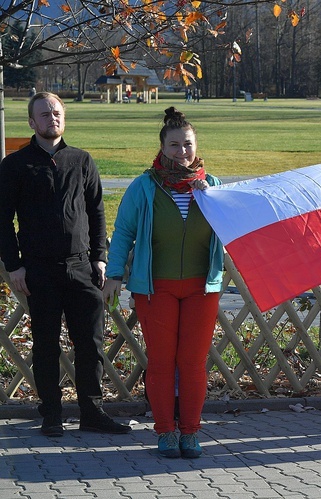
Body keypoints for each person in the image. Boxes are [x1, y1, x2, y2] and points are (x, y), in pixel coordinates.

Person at [0, 92, 131, 437]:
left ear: (64, 118)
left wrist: (99, 258)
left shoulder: (81, 161)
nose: (51, 119)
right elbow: (2, 220)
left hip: (81, 268)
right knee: (45, 344)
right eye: (43, 114)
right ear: (31, 122)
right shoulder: (15, 166)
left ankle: (92, 411)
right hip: (38, 270)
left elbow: (97, 212)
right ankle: (52, 414)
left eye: (56, 113)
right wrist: (14, 265)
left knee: (90, 343)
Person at [103, 107, 225, 458]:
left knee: (192, 362)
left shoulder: (211, 186)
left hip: (203, 287)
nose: (182, 152)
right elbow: (123, 232)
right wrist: (114, 275)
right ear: (162, 148)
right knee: (160, 361)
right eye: (174, 145)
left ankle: (190, 431)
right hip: (156, 288)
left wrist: (212, 199)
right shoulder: (144, 186)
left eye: (187, 144)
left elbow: (234, 227)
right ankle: (165, 431)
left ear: (196, 145)